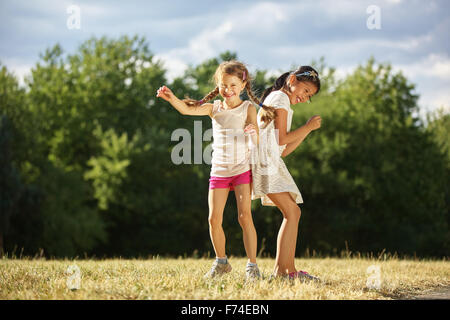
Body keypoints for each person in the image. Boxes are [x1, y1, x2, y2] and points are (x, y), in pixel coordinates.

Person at [156, 60, 262, 280]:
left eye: (233, 85)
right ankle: (221, 262)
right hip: (220, 171)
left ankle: (252, 266)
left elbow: (257, 139)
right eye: (224, 85)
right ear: (218, 85)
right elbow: (186, 110)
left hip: (241, 169)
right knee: (214, 219)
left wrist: (252, 133)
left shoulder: (248, 108)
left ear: (243, 86)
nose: (228, 90)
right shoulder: (214, 109)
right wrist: (171, 98)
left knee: (245, 217)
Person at [251, 66, 322, 281]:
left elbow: (285, 148)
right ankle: (285, 272)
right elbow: (282, 138)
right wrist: (307, 128)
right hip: (264, 162)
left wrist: (305, 132)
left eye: (309, 96)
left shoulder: (278, 99)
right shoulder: (280, 98)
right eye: (306, 90)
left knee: (292, 212)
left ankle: (284, 271)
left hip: (269, 160)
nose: (305, 97)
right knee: (292, 212)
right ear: (292, 79)